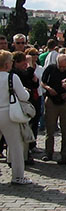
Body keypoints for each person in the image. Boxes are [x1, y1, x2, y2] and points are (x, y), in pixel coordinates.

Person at [0, 51, 32, 184]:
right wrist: (25, 91)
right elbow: (24, 96)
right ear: (7, 64)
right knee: (15, 146)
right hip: (8, 113)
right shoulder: (11, 77)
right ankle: (18, 176)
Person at [40, 54, 66, 161]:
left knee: (65, 129)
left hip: (65, 102)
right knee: (50, 129)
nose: (62, 69)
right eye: (60, 67)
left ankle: (64, 153)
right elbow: (43, 82)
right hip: (51, 100)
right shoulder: (50, 69)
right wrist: (48, 88)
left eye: (64, 67)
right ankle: (48, 152)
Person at [11, 51, 38, 165]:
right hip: (17, 105)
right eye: (24, 62)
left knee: (26, 130)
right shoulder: (14, 73)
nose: (25, 64)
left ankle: (25, 154)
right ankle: (18, 158)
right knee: (17, 134)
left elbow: (34, 84)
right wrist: (31, 67)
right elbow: (27, 77)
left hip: (27, 104)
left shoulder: (22, 72)